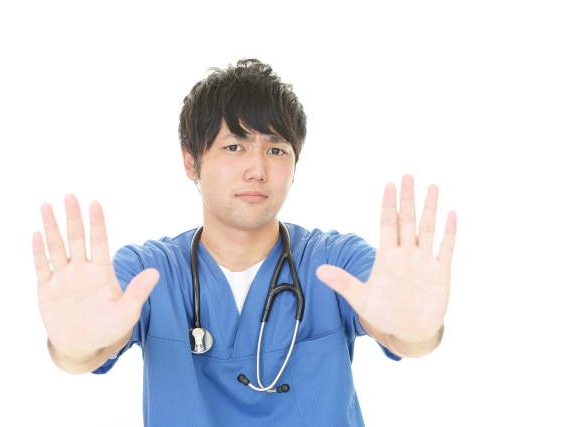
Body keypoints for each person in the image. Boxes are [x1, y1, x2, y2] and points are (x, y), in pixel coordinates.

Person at [32, 59, 457, 426]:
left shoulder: (333, 261)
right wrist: (75, 347)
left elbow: (402, 332)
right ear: (190, 160)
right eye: (234, 146)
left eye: (276, 150)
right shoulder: (151, 272)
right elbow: (88, 349)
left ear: (295, 165)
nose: (257, 169)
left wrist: (416, 332)